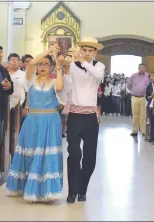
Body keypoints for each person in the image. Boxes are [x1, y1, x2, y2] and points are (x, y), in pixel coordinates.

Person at [6, 44, 69, 202]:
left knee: (47, 154)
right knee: (32, 153)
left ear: (51, 67)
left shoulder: (54, 82)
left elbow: (61, 87)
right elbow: (32, 63)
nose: (42, 67)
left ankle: (48, 191)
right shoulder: (30, 80)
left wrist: (59, 66)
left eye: (46, 64)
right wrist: (49, 51)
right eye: (41, 64)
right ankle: (28, 187)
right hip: (33, 121)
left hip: (50, 120)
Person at [65, 36, 105, 203]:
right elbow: (67, 86)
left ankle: (83, 189)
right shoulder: (72, 66)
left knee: (89, 156)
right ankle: (72, 190)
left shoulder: (98, 66)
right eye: (84, 50)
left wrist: (84, 61)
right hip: (75, 115)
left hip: (90, 116)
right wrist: (66, 67)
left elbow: (99, 77)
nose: (87, 53)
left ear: (95, 52)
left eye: (90, 51)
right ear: (80, 50)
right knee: (74, 153)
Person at [127, 64, 150, 136]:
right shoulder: (133, 76)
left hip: (143, 98)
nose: (142, 69)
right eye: (141, 68)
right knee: (135, 115)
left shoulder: (148, 76)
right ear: (138, 68)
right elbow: (129, 85)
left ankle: (143, 131)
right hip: (134, 97)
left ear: (145, 68)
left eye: (143, 68)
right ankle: (135, 130)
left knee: (143, 115)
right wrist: (134, 91)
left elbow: (150, 85)